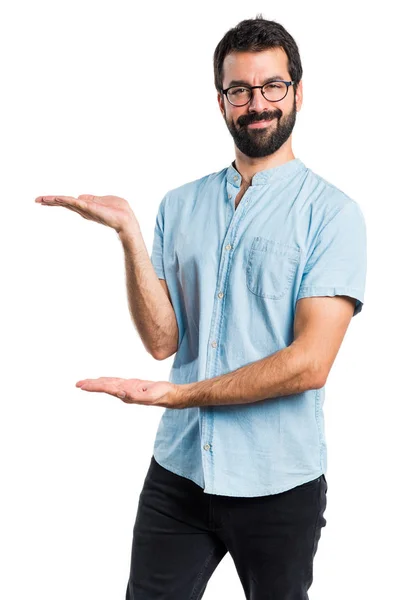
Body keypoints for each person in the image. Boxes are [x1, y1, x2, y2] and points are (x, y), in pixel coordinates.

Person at [35, 14, 367, 600]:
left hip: (278, 483)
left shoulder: (332, 214)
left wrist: (178, 396)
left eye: (272, 86)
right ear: (221, 101)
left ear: (297, 91)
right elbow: (164, 340)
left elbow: (310, 363)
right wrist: (130, 234)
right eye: (240, 90)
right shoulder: (180, 205)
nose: (257, 104)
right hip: (181, 471)